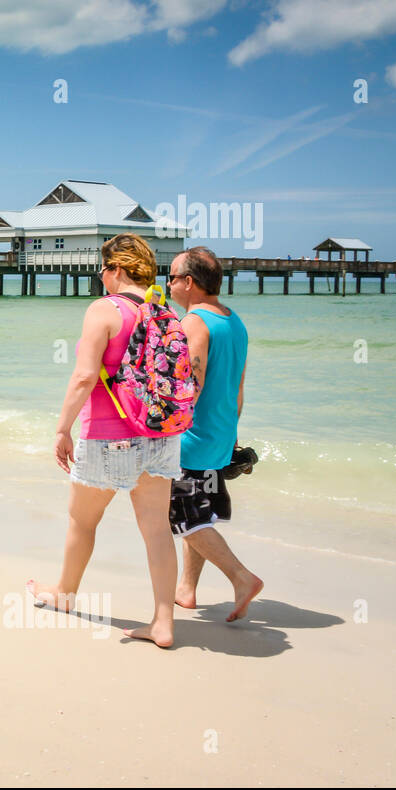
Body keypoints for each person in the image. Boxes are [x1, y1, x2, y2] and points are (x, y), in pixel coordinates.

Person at [30, 233, 183, 648]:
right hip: (161, 435)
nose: (100, 275)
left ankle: (63, 594)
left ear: (116, 269)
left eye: (103, 267)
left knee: (83, 521)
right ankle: (163, 623)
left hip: (108, 436)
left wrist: (62, 429)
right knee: (156, 530)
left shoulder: (104, 309)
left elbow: (83, 376)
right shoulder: (163, 310)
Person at [165, 247, 261, 621]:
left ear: (189, 283)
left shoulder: (194, 323)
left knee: (183, 519)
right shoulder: (234, 321)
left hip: (192, 440)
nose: (168, 284)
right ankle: (187, 589)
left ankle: (241, 578)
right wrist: (231, 434)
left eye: (171, 277)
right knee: (200, 515)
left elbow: (191, 387)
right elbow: (238, 388)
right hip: (220, 437)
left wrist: (160, 433)